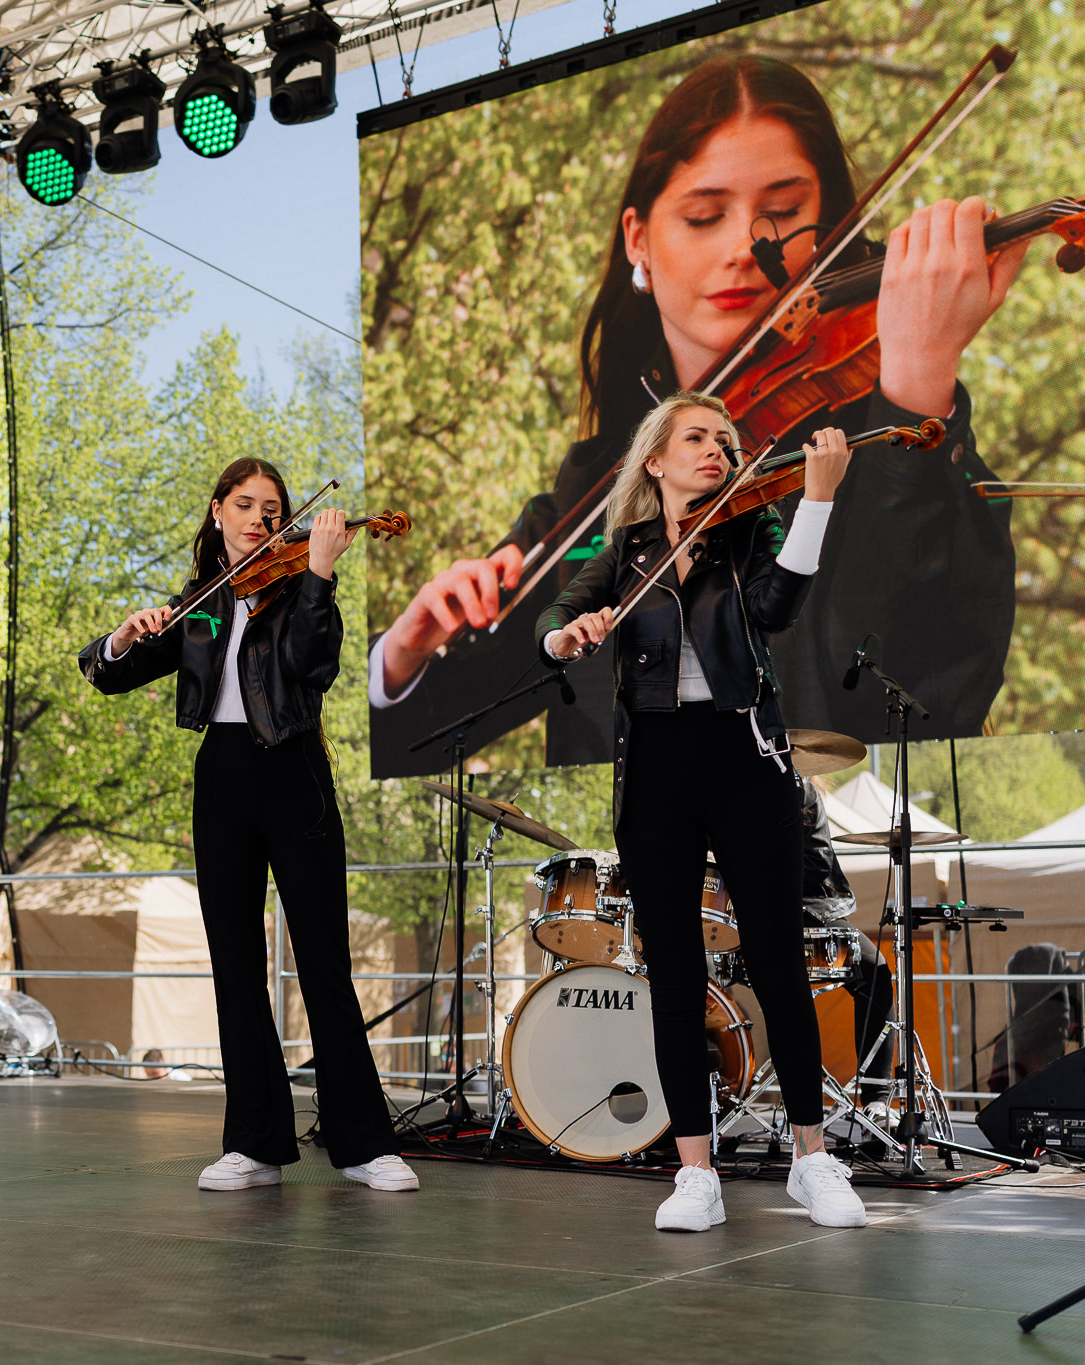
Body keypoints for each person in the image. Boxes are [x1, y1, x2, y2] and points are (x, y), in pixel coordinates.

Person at [371, 53, 1027, 773]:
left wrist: (918, 384)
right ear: (639, 240)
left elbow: (912, 706)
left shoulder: (887, 442)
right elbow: (413, 742)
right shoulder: (591, 489)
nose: (745, 246)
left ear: (827, 230)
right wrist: (403, 655)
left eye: (783, 213)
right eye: (704, 215)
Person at [536, 391, 866, 1231]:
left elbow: (775, 609)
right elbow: (557, 613)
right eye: (697, 436)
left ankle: (812, 1160)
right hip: (655, 767)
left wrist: (817, 500)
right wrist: (564, 638)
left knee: (779, 961)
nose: (717, 447)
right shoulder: (627, 547)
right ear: (655, 459)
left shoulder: (751, 527)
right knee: (675, 975)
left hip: (744, 757)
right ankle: (695, 1172)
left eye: (725, 438)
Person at [79, 458, 420, 1194]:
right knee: (234, 965)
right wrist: (122, 637)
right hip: (224, 776)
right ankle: (255, 1144)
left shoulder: (302, 587)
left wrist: (320, 574)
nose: (258, 519)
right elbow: (107, 674)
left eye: (272, 508)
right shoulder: (200, 601)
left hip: (295, 771)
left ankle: (365, 1144)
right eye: (243, 504)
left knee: (324, 963)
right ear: (217, 512)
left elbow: (311, 665)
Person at [798, 778, 893, 1106]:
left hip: (745, 920)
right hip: (798, 918)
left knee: (874, 971)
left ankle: (876, 1100)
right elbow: (817, 864)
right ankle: (876, 1099)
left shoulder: (721, 785)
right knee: (875, 974)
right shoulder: (798, 785)